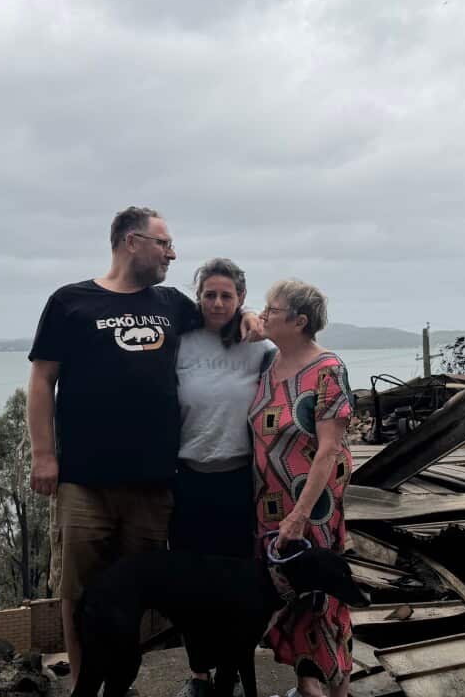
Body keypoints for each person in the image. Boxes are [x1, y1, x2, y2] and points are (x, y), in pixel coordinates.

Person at [27, 207, 259, 684]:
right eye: (164, 244)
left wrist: (252, 314)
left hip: (153, 486)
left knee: (142, 592)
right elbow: (41, 379)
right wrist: (44, 455)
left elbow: (223, 311)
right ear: (132, 242)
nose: (172, 254)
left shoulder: (172, 302)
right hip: (84, 481)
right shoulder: (70, 301)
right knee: (81, 593)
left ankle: (122, 684)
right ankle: (84, 684)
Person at [249, 279, 355, 697]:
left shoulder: (328, 369)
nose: (265, 314)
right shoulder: (269, 364)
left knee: (322, 597)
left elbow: (329, 450)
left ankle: (339, 688)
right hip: (269, 506)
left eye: (272, 310)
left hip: (313, 506)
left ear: (299, 321)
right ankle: (306, 685)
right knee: (286, 594)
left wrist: (300, 514)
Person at [172, 258, 273, 693]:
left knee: (235, 586)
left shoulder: (261, 348)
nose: (217, 303)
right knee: (191, 584)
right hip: (187, 481)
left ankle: (232, 674)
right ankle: (199, 674)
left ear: (241, 299)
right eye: (209, 294)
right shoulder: (180, 341)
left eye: (226, 295)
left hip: (237, 483)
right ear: (199, 297)